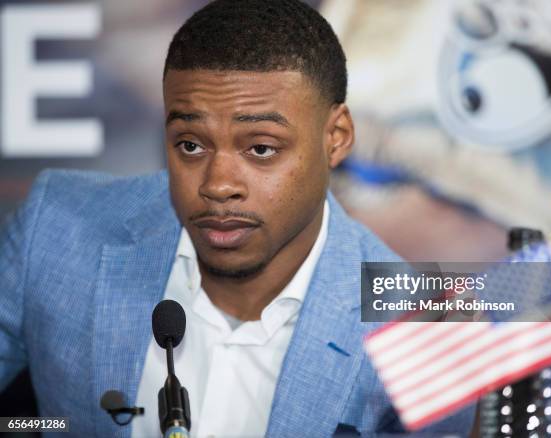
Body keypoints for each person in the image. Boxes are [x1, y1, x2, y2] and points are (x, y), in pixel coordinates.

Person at [0, 0, 475, 436]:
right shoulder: (56, 226)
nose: (218, 183)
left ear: (336, 137)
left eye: (261, 149)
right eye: (190, 145)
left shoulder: (417, 326)